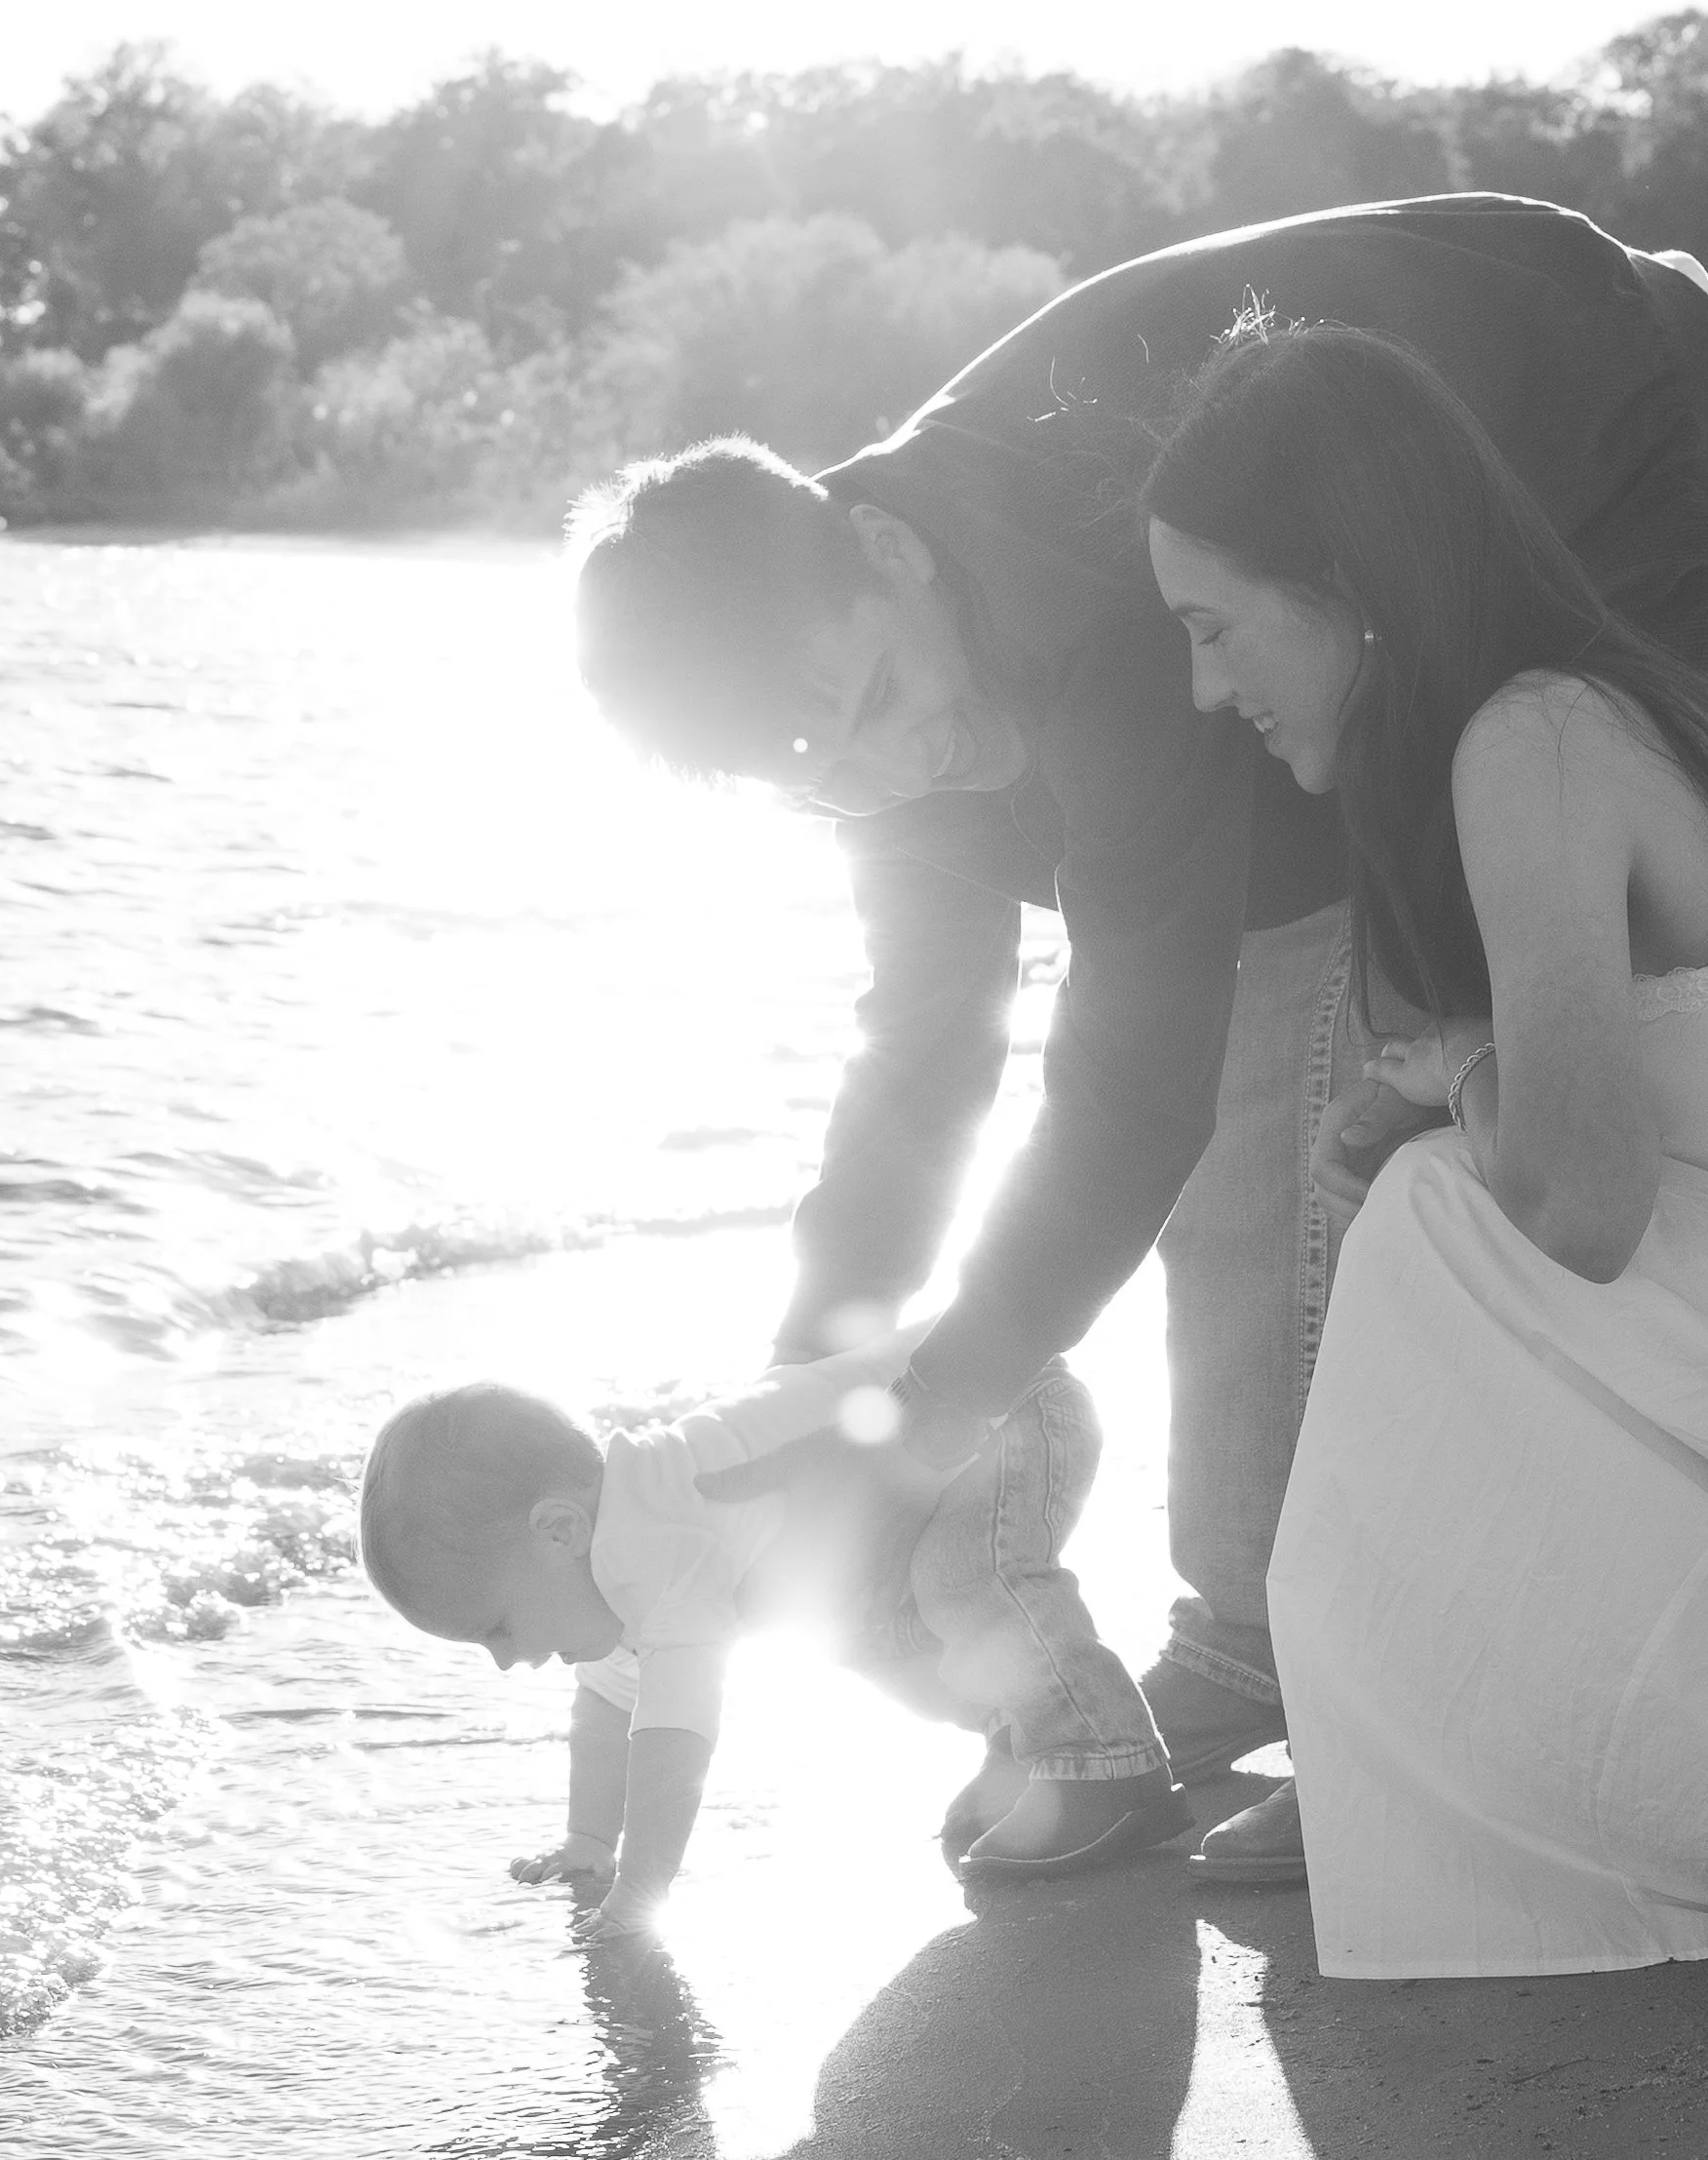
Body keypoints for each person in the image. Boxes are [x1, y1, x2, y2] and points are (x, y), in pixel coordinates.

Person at [570, 194, 1708, 1795]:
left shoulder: (1101, 585)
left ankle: (1375, 1632)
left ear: (884, 552)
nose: (908, 767)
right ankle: (1282, 1618)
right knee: (1311, 1064)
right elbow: (921, 1062)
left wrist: (928, 1409)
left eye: (884, 702)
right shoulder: (858, 714)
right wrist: (797, 1407)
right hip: (1382, 536)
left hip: (1628, 427)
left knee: (1410, 1023)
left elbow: (1142, 1070)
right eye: (823, 774)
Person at [1141, 315, 1708, 1974]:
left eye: (1215, 624)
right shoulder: (1537, 725)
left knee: (1446, 1214)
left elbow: (1583, 1202)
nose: (1201, 684)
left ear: (1342, 575)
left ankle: (1544, 1763)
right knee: (1425, 1188)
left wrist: (1451, 1076)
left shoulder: (1528, 739)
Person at [355, 1341, 1194, 1937]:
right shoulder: (609, 1562)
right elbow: (610, 1707)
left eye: (494, 1628)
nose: (505, 1660)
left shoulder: (653, 1539)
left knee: (968, 1581)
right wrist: (586, 1841)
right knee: (881, 1635)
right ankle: (1024, 1742)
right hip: (919, 1474)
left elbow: (674, 1736)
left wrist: (638, 1890)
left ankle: (1104, 1759)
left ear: (557, 1528)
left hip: (1000, 1399)